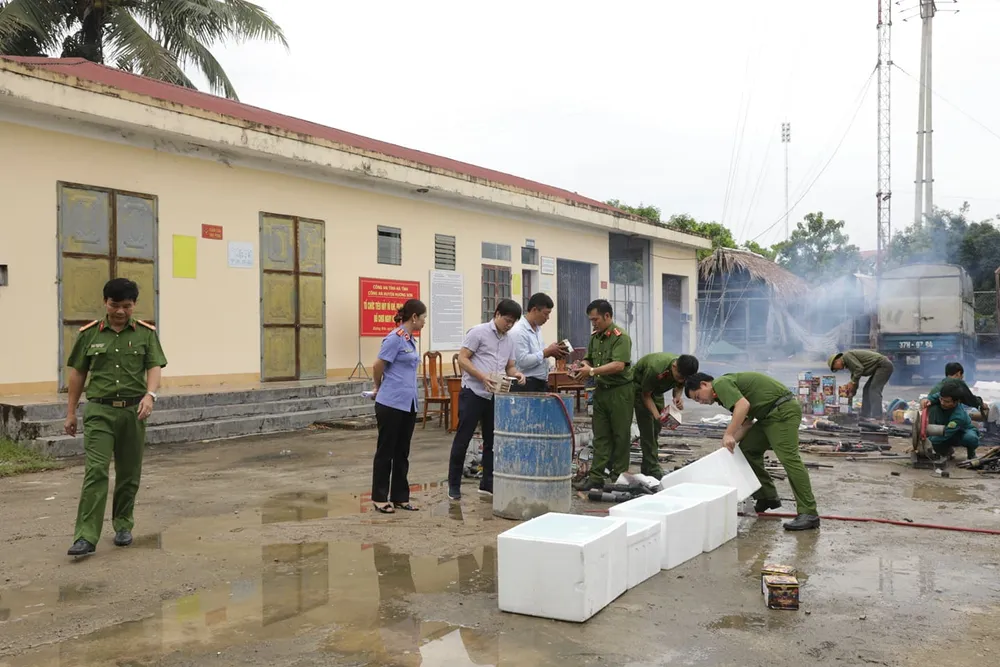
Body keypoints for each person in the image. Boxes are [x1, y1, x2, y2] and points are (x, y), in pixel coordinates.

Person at [64, 278, 168, 557]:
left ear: (134, 305)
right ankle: (85, 536)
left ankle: (123, 524)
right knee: (96, 472)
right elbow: (78, 374)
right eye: (114, 305)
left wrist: (150, 395)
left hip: (134, 412)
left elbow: (155, 366)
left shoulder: (146, 334)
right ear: (104, 303)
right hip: (100, 411)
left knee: (128, 473)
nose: (120, 311)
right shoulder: (89, 334)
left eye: (126, 306)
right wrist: (71, 412)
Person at [684, 371, 820, 531]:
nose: (700, 402)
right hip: (767, 417)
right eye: (696, 400)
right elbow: (747, 423)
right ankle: (767, 497)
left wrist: (728, 434)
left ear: (704, 384)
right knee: (747, 451)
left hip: (781, 412)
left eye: (698, 397)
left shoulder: (721, 384)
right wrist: (729, 444)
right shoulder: (722, 396)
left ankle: (809, 513)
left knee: (789, 460)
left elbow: (743, 405)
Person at [447, 299, 526, 500]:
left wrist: (517, 374)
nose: (509, 325)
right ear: (497, 314)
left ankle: (487, 483)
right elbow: (463, 358)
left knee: (492, 442)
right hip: (473, 392)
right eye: (507, 320)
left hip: (494, 396)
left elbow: (509, 366)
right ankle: (454, 485)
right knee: (463, 439)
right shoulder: (478, 332)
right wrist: (482, 376)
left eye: (513, 322)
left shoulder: (509, 340)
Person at [370, 299, 427, 514]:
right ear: (414, 317)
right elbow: (378, 365)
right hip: (391, 403)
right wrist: (378, 386)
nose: (423, 323)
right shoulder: (394, 338)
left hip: (408, 403)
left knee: (402, 452)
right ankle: (379, 497)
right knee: (386, 451)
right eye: (423, 319)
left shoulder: (410, 340)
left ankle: (400, 497)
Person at [572, 300, 633, 492]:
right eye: (591, 320)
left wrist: (591, 371)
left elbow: (618, 365)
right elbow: (589, 359)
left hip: (620, 392)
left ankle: (618, 477)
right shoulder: (595, 337)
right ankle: (596, 477)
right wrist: (580, 366)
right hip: (601, 391)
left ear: (607, 316)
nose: (593, 323)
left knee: (621, 436)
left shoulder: (620, 337)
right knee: (600, 436)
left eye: (596, 319)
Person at [631, 353, 700, 478]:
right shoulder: (655, 368)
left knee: (656, 428)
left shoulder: (683, 369)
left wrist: (677, 398)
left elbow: (679, 386)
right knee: (648, 429)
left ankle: (647, 466)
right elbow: (646, 396)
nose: (681, 380)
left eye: (685, 378)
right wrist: (657, 416)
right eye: (679, 377)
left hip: (656, 390)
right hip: (639, 388)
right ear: (674, 366)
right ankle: (652, 467)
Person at [510, 292, 568, 392]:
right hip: (525, 384)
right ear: (534, 310)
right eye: (546, 314)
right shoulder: (519, 331)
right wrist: (546, 352)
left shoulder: (537, 329)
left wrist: (552, 351)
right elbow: (523, 361)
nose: (547, 318)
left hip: (540, 383)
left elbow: (539, 354)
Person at [925, 379, 981, 461]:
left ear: (956, 402)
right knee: (933, 408)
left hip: (960, 433)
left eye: (947, 402)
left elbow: (946, 433)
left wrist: (925, 442)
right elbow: (932, 398)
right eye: (941, 399)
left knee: (970, 438)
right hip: (944, 430)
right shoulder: (943, 396)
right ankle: (947, 451)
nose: (943, 403)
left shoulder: (958, 416)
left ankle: (971, 453)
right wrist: (925, 401)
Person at [828, 350, 894, 419]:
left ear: (836, 361)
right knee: (866, 390)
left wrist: (852, 382)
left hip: (883, 366)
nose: (839, 369)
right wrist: (851, 393)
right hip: (879, 368)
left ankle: (877, 416)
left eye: (836, 367)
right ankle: (865, 414)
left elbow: (859, 369)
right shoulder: (849, 364)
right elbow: (855, 379)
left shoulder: (847, 357)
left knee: (874, 389)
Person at [921, 362, 987, 419]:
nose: (962, 378)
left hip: (930, 415)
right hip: (943, 417)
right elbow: (970, 399)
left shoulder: (940, 384)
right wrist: (981, 404)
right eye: (962, 375)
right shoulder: (957, 383)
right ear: (958, 374)